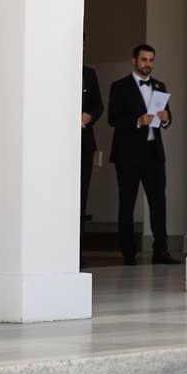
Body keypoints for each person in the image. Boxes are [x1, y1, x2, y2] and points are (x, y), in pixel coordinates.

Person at [107, 44, 180, 266]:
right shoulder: (119, 86)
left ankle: (161, 251)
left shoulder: (159, 85)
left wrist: (166, 117)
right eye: (144, 60)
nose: (147, 64)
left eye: (151, 60)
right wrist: (139, 121)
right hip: (128, 155)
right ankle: (128, 253)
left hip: (153, 153)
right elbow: (113, 119)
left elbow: (167, 120)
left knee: (159, 203)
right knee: (127, 203)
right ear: (134, 61)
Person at [80, 63, 103, 268]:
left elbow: (98, 105)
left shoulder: (88, 73)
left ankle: (76, 252)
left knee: (80, 198)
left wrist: (89, 116)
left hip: (83, 143)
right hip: (55, 142)